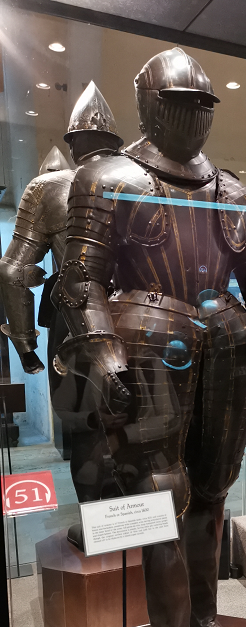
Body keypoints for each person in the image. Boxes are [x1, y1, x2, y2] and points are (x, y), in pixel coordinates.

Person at [53, 48, 246, 627]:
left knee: (214, 491)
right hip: (147, 347)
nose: (192, 118)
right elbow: (80, 281)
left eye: (201, 106)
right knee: (160, 500)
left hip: (226, 351)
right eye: (180, 104)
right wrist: (104, 353)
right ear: (151, 105)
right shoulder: (107, 178)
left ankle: (204, 622)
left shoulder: (235, 194)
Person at [0, 82, 123, 503]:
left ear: (74, 143)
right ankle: (139, 523)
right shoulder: (141, 181)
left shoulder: (48, 187)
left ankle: (99, 525)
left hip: (75, 322)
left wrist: (25, 347)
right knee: (139, 427)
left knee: (85, 429)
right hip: (138, 320)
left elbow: (13, 271)